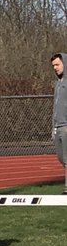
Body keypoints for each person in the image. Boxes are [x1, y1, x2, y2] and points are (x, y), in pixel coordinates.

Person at [51, 54, 67, 190]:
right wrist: (53, 127)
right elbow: (55, 107)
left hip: (66, 127)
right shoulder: (57, 84)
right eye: (53, 66)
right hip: (58, 126)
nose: (55, 68)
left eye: (57, 64)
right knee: (61, 158)